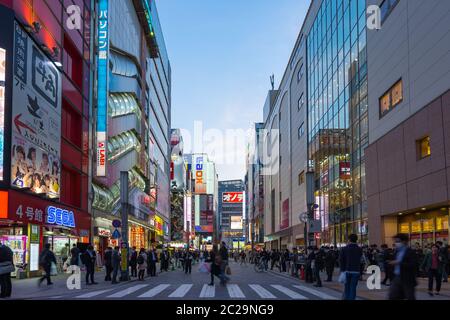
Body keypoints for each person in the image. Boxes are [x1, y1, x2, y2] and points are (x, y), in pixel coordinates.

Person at [388, 233, 418, 300]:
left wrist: (399, 263)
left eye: (398, 241)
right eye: (395, 241)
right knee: (392, 296)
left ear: (404, 241)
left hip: (407, 278)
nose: (396, 243)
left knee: (409, 296)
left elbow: (413, 264)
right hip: (396, 277)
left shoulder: (411, 252)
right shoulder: (397, 251)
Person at [340, 234, 363, 300]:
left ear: (349, 239)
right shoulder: (359, 249)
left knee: (347, 287)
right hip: (356, 271)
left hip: (346, 270)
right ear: (356, 240)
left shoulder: (344, 249)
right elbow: (360, 260)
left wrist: (342, 270)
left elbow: (341, 260)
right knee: (353, 288)